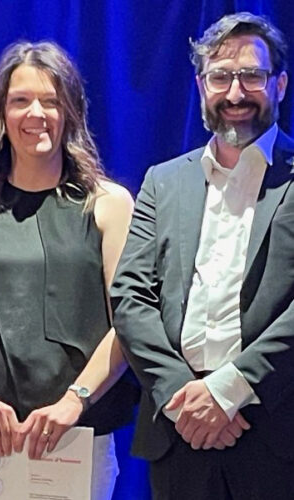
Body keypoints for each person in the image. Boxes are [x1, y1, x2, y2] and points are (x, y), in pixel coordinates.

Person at [0, 40, 139, 500]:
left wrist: (75, 401)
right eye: (21, 100)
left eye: (50, 101)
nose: (35, 113)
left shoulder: (109, 205)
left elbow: (127, 322)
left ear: (71, 112)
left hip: (75, 436)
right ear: (1, 112)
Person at [111, 11, 294, 500]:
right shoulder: (163, 181)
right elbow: (129, 296)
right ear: (200, 86)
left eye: (251, 76)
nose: (235, 93)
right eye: (220, 77)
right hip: (179, 430)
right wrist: (179, 394)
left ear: (279, 85)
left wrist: (229, 390)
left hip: (276, 432)